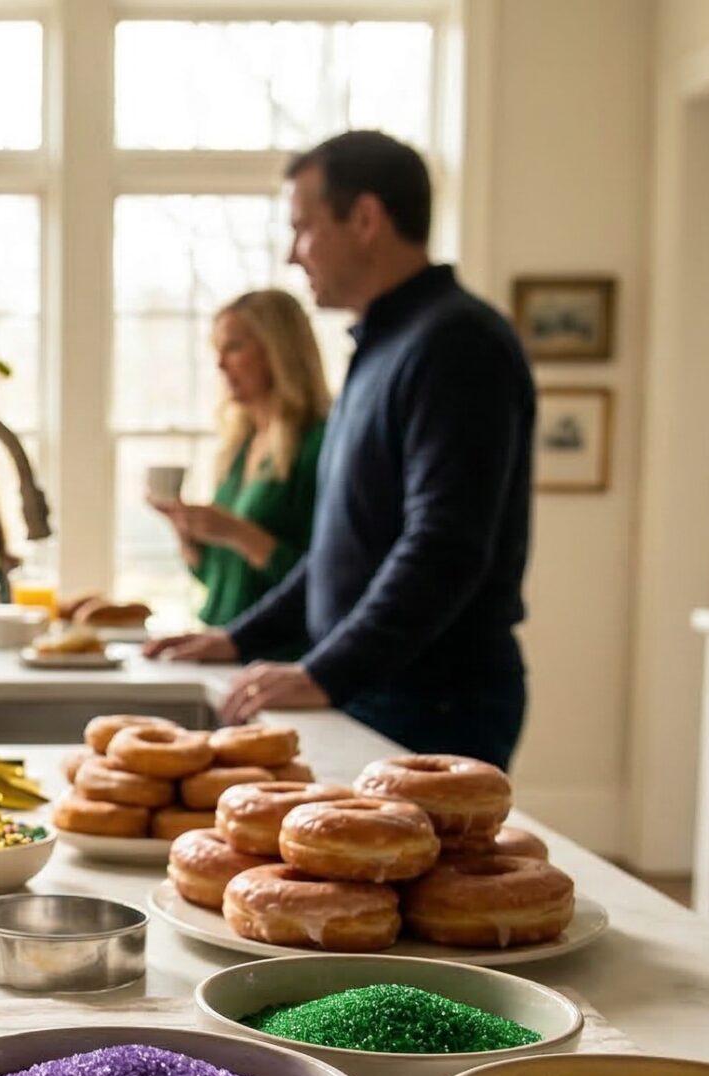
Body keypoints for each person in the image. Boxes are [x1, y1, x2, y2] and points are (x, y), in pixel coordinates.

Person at [147, 131, 534, 769]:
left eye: (303, 228)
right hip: (376, 686)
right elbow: (342, 548)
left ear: (365, 219)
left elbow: (445, 545)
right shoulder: (382, 348)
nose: (293, 254)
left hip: (432, 700)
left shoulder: (457, 343)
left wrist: (325, 671)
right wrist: (237, 639)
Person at [151, 289, 333, 653]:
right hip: (224, 647)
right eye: (217, 350)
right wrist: (190, 539)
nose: (219, 364)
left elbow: (326, 577)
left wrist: (236, 532)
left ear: (278, 352)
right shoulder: (241, 447)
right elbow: (220, 580)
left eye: (234, 347)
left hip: (282, 657)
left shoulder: (319, 446)